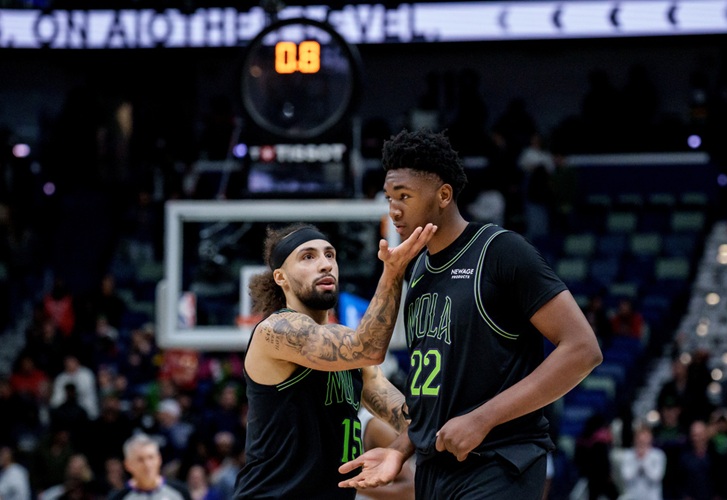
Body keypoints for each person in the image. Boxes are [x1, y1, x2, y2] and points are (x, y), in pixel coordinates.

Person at [338, 129, 603, 499]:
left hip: (499, 461)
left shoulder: (500, 251)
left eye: (404, 196)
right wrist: (399, 449)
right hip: (435, 467)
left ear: (444, 195)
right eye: (389, 198)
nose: (394, 209)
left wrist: (483, 419)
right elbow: (435, 392)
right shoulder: (418, 270)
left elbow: (583, 349)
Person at [232, 221, 436, 499]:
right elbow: (367, 349)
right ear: (281, 277)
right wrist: (393, 272)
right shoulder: (276, 330)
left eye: (330, 255)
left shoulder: (345, 342)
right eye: (308, 257)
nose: (325, 264)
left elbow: (408, 418)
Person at [107, 433, 191, 500]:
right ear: (128, 465)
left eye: (151, 457)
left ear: (159, 459)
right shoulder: (118, 497)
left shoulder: (180, 492)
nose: (147, 465)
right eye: (140, 460)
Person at [618, 423, 667, 500]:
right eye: (640, 439)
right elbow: (626, 477)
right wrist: (637, 460)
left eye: (645, 439)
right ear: (635, 439)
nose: (642, 441)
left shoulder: (658, 455)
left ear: (650, 439)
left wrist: (644, 459)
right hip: (632, 497)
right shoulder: (628, 455)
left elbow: (656, 478)